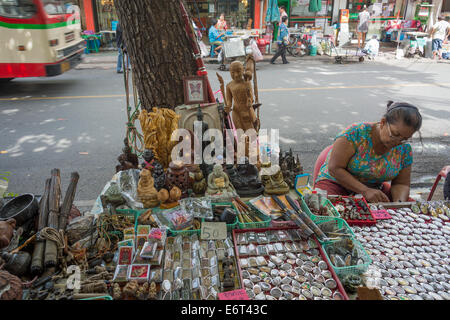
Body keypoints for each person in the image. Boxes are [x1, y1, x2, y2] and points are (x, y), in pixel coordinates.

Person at [315, 101, 422, 203]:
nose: (398, 141)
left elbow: (401, 183)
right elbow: (335, 168)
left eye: (405, 139)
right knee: (331, 213)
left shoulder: (404, 148)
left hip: (374, 190)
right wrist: (364, 190)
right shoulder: (355, 133)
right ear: (383, 122)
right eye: (395, 134)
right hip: (337, 184)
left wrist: (398, 204)